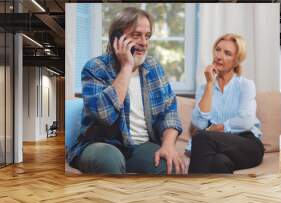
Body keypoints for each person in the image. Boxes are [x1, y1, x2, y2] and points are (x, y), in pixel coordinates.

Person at [67, 7, 185, 175]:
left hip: (139, 146)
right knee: (110, 159)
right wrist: (127, 66)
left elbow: (169, 112)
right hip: (100, 145)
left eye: (148, 36)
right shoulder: (95, 68)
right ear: (117, 38)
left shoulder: (154, 68)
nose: (144, 43)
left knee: (168, 164)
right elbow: (104, 115)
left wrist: (168, 145)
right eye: (137, 35)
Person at [188, 33, 264, 174]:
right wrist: (210, 84)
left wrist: (218, 128)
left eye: (227, 53)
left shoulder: (245, 85)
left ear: (236, 61)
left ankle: (191, 191)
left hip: (247, 144)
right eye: (218, 50)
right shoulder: (203, 89)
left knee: (201, 137)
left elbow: (245, 121)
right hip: (218, 147)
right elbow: (199, 123)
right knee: (219, 162)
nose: (219, 56)